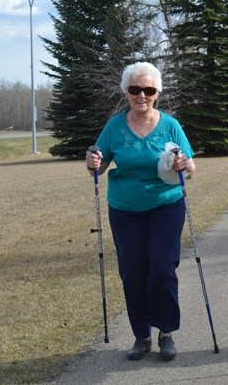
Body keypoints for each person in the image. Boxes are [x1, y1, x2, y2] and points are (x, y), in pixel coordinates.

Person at [85, 62, 195, 361]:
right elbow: (100, 162)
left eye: (148, 90)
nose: (141, 95)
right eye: (135, 89)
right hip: (125, 208)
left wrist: (185, 164)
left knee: (161, 267)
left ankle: (166, 332)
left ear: (157, 92)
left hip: (166, 205)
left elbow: (191, 166)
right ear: (126, 93)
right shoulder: (114, 127)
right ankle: (141, 335)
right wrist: (93, 161)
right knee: (133, 270)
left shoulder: (170, 125)